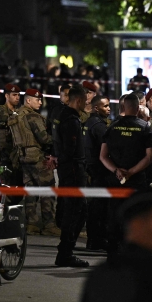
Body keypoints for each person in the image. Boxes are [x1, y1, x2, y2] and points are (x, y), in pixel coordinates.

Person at [99, 95, 152, 255]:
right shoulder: (144, 127)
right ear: (138, 108)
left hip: (116, 181)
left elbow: (103, 156)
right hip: (137, 181)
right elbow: (150, 156)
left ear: (123, 107)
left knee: (115, 217)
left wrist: (116, 170)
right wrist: (132, 171)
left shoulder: (112, 127)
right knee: (137, 217)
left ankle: (113, 254)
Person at [53, 84, 91, 268]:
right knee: (76, 211)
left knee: (74, 210)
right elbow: (69, 149)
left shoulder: (62, 115)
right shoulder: (72, 121)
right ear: (78, 100)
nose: (86, 103)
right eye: (84, 100)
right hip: (73, 171)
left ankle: (66, 250)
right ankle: (66, 252)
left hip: (68, 170)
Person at [13, 88, 59, 235]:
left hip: (23, 156)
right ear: (28, 100)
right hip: (37, 157)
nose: (40, 102)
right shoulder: (32, 117)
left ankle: (31, 224)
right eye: (37, 99)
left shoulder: (18, 115)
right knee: (47, 189)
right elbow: (44, 138)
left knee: (31, 191)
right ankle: (49, 225)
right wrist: (57, 143)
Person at [83, 95, 112, 252]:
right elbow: (108, 147)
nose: (108, 108)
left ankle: (94, 240)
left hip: (93, 169)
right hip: (100, 170)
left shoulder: (90, 122)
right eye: (105, 106)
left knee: (95, 206)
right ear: (96, 108)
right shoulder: (99, 126)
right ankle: (98, 240)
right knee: (100, 208)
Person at [0, 83, 24, 187]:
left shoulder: (21, 110)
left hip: (20, 154)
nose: (17, 97)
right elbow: (7, 120)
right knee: (7, 185)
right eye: (14, 95)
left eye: (18, 95)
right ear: (6, 96)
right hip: (6, 154)